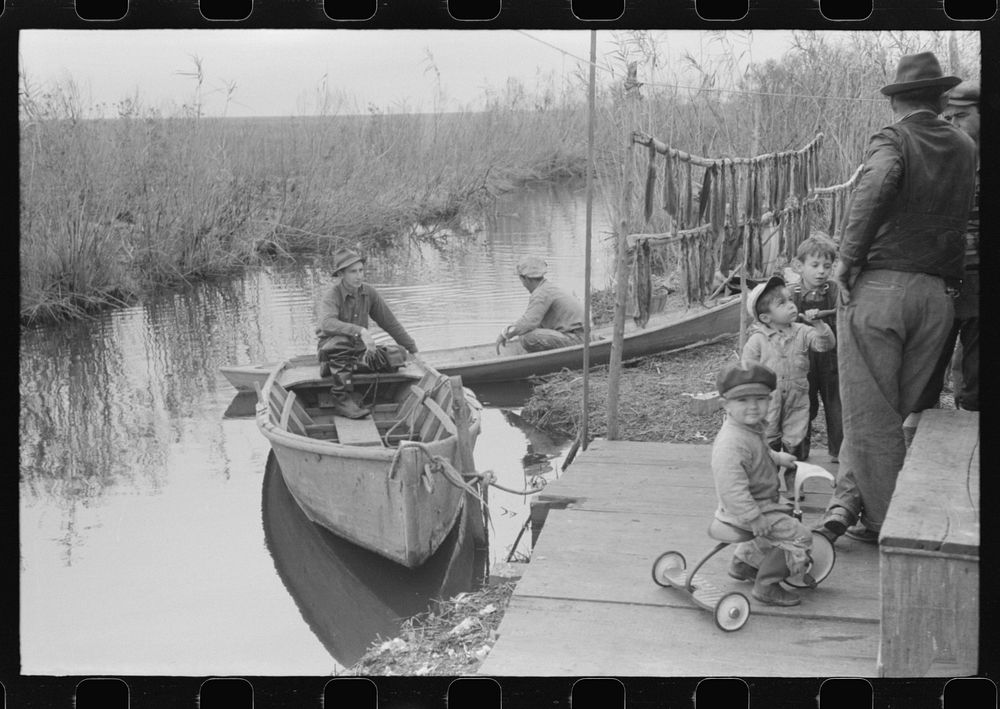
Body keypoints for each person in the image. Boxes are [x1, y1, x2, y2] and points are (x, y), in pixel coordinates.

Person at [817, 53, 977, 545]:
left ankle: (892, 528)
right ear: (938, 97)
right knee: (888, 414)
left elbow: (877, 184)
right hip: (937, 297)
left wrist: (845, 258)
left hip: (881, 289)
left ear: (897, 100)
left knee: (868, 416)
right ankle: (848, 501)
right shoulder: (965, 144)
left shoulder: (893, 138)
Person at [712, 361, 814, 607]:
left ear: (770, 400)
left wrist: (778, 458)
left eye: (760, 399)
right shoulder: (731, 443)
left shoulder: (749, 429)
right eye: (742, 401)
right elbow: (731, 487)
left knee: (776, 524)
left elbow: (759, 453)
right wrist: (753, 517)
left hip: (757, 505)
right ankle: (767, 584)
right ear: (725, 405)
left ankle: (744, 564)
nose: (753, 407)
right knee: (800, 536)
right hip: (746, 510)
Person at [909, 79, 980, 427]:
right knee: (924, 372)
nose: (952, 125)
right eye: (947, 118)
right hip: (938, 279)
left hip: (980, 284)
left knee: (977, 383)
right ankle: (912, 462)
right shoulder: (938, 158)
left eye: (961, 117)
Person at [742, 275, 836, 489]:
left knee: (796, 440)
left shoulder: (803, 332)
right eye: (782, 303)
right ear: (766, 318)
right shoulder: (757, 341)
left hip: (798, 400)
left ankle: (795, 484)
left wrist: (819, 324)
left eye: (790, 300)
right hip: (769, 402)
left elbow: (825, 345)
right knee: (768, 440)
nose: (791, 306)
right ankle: (767, 484)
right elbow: (747, 370)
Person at [315, 248, 419, 419]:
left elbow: (390, 323)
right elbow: (326, 324)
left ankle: (348, 368)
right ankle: (341, 398)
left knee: (397, 355)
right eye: (353, 272)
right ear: (341, 274)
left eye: (361, 270)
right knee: (342, 341)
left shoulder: (369, 292)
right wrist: (360, 331)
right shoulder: (331, 295)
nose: (359, 276)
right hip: (332, 350)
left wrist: (413, 350)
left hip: (357, 352)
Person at [789, 234, 843, 463]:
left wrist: (826, 316)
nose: (821, 271)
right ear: (799, 266)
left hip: (831, 355)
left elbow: (843, 313)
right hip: (803, 357)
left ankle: (840, 452)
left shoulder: (834, 291)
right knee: (803, 403)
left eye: (827, 266)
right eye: (815, 265)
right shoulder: (793, 294)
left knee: (836, 403)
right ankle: (799, 452)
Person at [496, 256, 587, 354]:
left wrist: (504, 335)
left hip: (577, 339)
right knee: (526, 331)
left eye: (521, 280)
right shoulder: (546, 288)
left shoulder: (541, 293)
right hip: (579, 335)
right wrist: (514, 329)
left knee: (527, 337)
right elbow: (531, 321)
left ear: (526, 279)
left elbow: (529, 322)